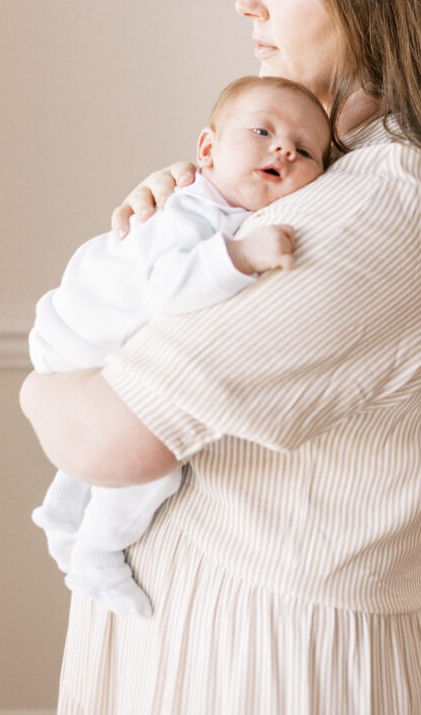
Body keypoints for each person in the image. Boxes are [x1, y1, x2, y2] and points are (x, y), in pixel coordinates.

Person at [21, 0, 421, 715]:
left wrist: (43, 379)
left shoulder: (367, 212)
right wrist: (168, 237)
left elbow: (105, 436)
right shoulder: (317, 185)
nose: (246, 1)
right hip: (217, 638)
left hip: (265, 667)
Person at [29, 76, 331, 618]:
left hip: (81, 333)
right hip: (80, 336)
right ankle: (97, 553)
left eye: (305, 150)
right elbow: (171, 288)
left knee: (103, 438)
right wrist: (243, 257)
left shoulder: (219, 206)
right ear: (208, 150)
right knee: (152, 461)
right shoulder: (193, 212)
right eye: (262, 131)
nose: (283, 148)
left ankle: (62, 511)